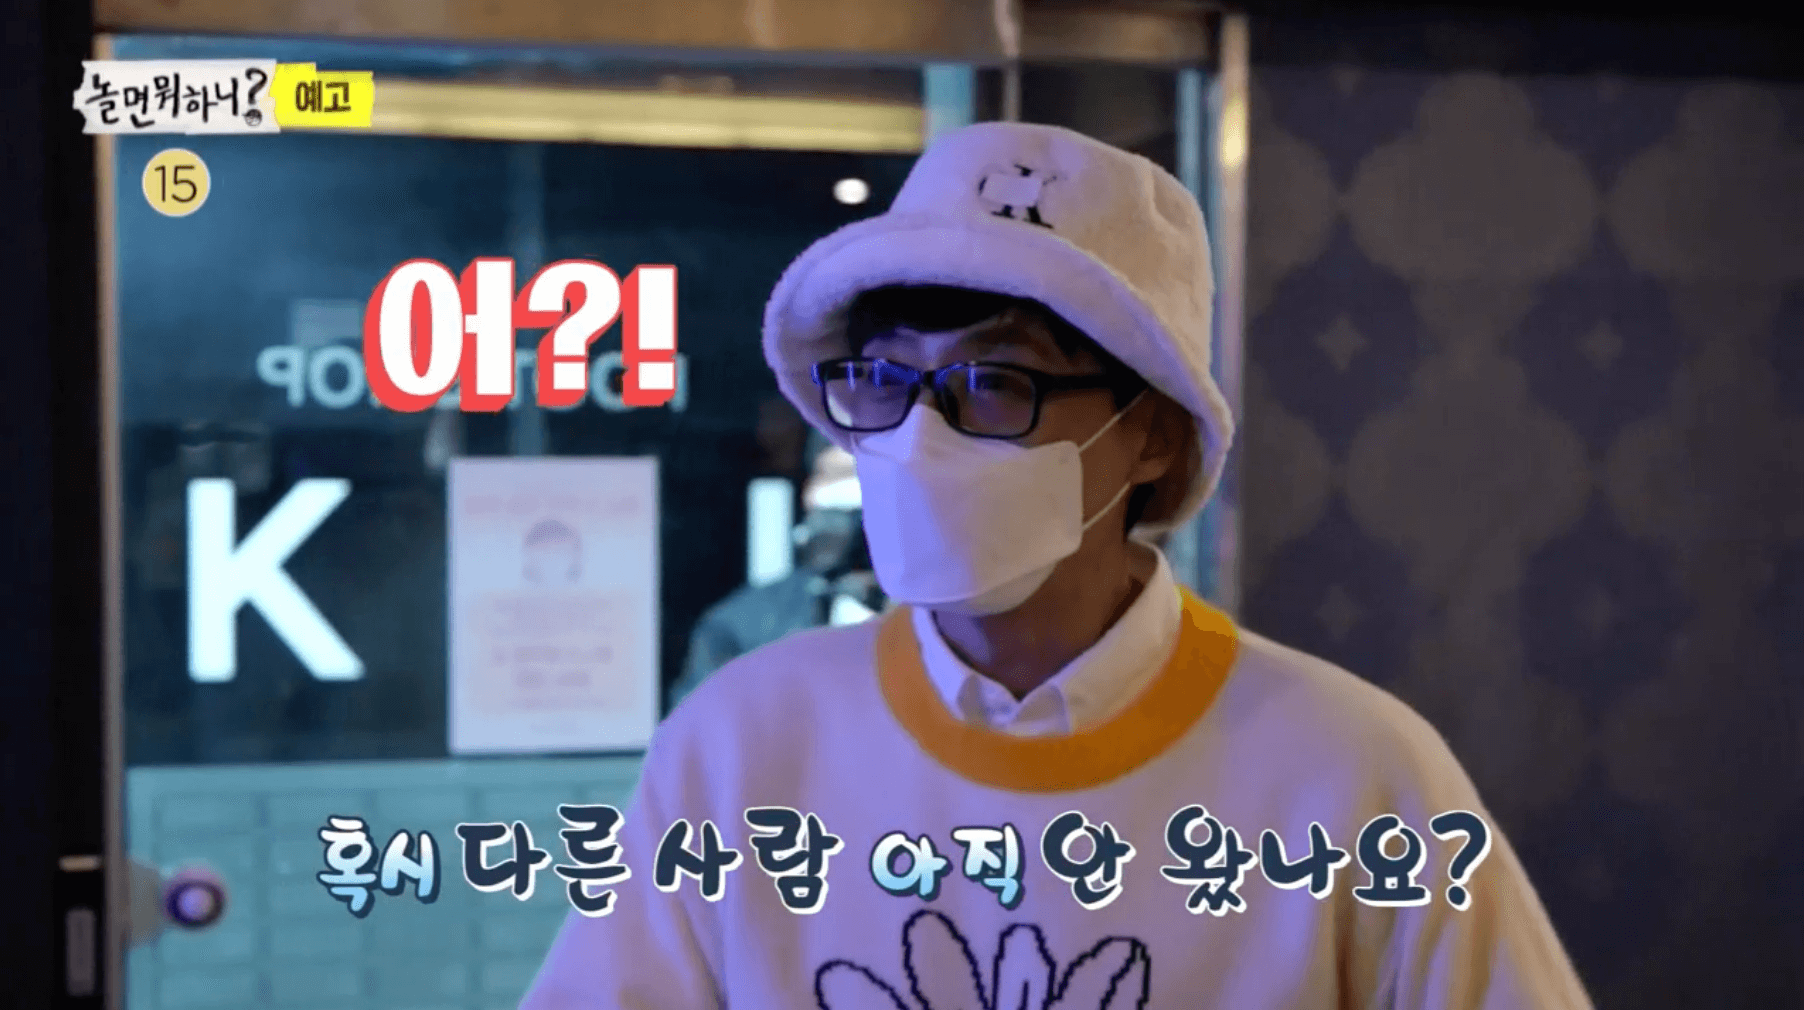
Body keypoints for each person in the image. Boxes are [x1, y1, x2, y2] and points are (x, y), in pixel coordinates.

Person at [521, 122, 1592, 1008]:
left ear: (1152, 433)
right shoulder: (741, 744)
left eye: (996, 381)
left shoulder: (1354, 773)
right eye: (884, 380)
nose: (919, 437)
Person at [668, 434, 884, 711]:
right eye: (842, 475)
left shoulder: (935, 615)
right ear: (810, 491)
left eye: (874, 476)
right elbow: (697, 729)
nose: (855, 494)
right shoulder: (742, 627)